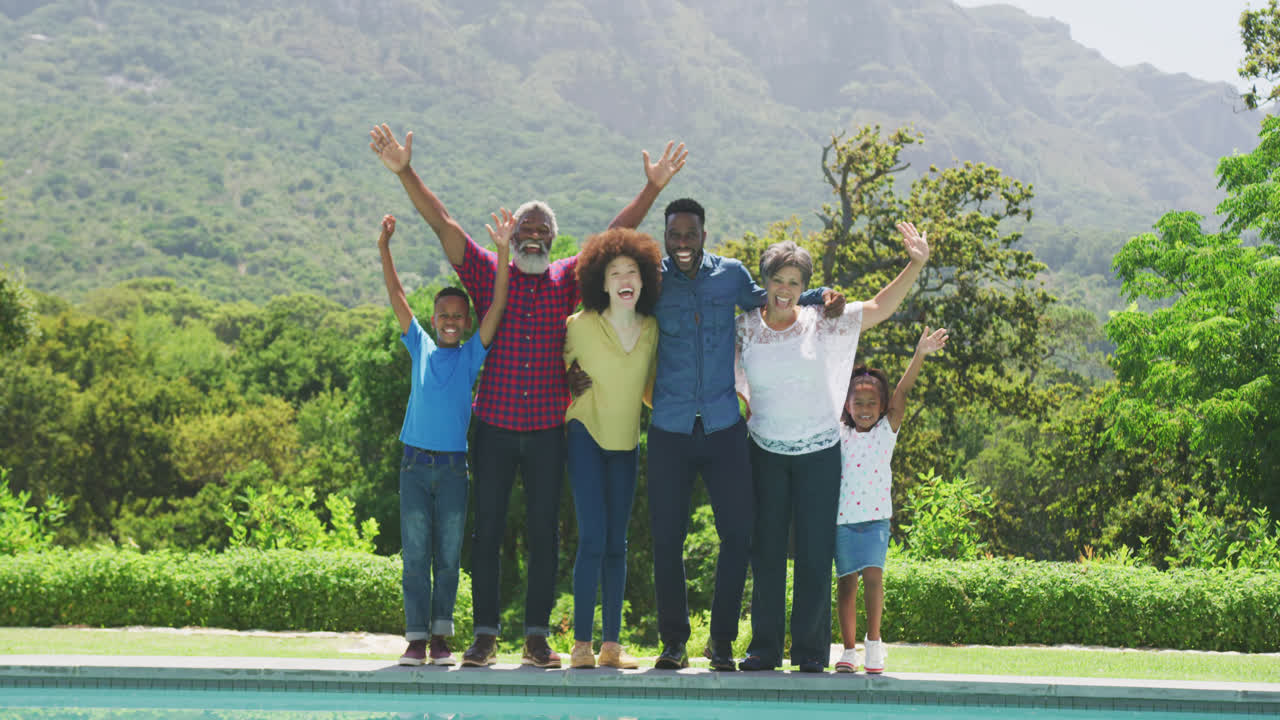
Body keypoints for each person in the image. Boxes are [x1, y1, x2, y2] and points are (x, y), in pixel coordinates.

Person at [369, 124, 686, 668]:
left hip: (546, 430)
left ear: (553, 238)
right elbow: (443, 225)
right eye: (525, 228)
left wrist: (653, 189)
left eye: (542, 229)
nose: (533, 236)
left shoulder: (567, 278)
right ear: (512, 234)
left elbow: (615, 234)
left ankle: (537, 638)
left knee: (544, 534)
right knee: (486, 532)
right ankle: (485, 635)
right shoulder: (489, 272)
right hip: (492, 427)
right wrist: (404, 172)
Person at [642, 198, 842, 671]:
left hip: (723, 429)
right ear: (666, 236)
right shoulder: (653, 279)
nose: (684, 242)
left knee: (738, 536)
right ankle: (673, 644)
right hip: (669, 429)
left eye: (692, 233)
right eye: (675, 234)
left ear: (704, 235)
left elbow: (771, 296)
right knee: (667, 539)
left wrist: (824, 294)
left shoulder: (729, 274)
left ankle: (723, 644)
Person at [733, 225, 929, 673]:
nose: (785, 290)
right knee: (765, 551)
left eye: (794, 283)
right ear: (765, 283)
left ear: (805, 288)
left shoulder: (822, 321)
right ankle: (764, 648)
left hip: (820, 453)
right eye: (778, 281)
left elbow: (879, 307)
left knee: (816, 553)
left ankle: (809, 652)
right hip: (764, 452)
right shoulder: (744, 328)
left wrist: (915, 263)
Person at [378, 210, 514, 666]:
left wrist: (502, 251)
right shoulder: (419, 344)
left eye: (459, 315)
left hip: (455, 470)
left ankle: (441, 640)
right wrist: (384, 247)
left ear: (466, 321)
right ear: (434, 318)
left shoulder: (474, 353)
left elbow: (497, 307)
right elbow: (397, 295)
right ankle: (416, 640)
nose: (451, 321)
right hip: (415, 466)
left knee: (449, 560)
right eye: (444, 315)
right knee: (416, 556)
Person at [562, 229, 663, 669]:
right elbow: (552, 374)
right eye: (615, 272)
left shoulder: (653, 329)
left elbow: (652, 392)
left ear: (643, 282)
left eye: (633, 272)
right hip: (584, 433)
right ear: (601, 283)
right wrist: (563, 380)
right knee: (594, 539)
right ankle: (581, 646)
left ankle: (611, 648)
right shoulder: (578, 325)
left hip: (626, 442)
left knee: (617, 544)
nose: (625, 278)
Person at [833, 327, 947, 674]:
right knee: (846, 585)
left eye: (872, 404)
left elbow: (902, 390)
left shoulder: (886, 432)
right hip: (842, 520)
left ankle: (874, 646)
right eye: (858, 403)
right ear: (847, 405)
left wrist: (920, 355)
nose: (865, 409)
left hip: (876, 520)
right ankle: (848, 651)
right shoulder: (839, 434)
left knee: (873, 580)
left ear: (882, 407)